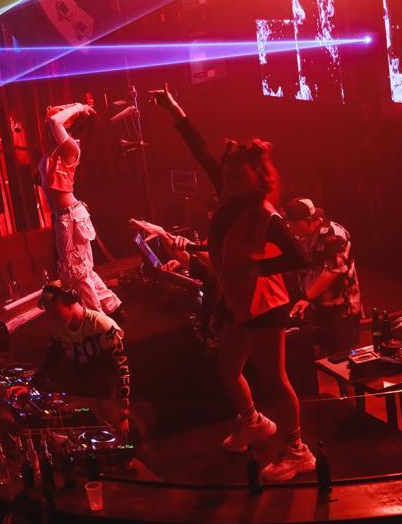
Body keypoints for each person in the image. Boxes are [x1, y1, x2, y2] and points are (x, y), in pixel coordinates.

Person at [150, 85, 313, 481]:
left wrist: (259, 268)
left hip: (265, 305)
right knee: (227, 369)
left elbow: (300, 257)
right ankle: (254, 422)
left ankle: (297, 450)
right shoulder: (229, 195)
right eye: (227, 174)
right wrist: (173, 107)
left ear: (256, 178)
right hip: (238, 302)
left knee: (275, 380)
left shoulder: (265, 215)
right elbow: (201, 150)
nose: (228, 180)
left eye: (236, 176)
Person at [12, 284, 132, 437]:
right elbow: (50, 363)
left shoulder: (102, 326)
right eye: (50, 314)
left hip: (110, 397)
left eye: (55, 312)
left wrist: (122, 413)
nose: (53, 318)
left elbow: (122, 368)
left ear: (70, 304)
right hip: (87, 396)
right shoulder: (60, 330)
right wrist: (30, 387)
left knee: (119, 441)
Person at [39, 101, 123, 319]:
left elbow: (54, 120)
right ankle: (113, 306)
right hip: (65, 216)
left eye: (50, 123)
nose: (47, 125)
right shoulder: (52, 152)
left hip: (70, 216)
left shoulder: (70, 148)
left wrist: (79, 106)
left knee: (77, 272)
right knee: (80, 270)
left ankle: (97, 321)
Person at [283, 197, 363, 352]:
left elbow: (331, 272)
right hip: (315, 307)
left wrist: (306, 298)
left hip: (340, 309)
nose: (290, 228)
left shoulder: (335, 235)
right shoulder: (302, 235)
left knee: (342, 354)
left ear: (308, 221)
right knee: (323, 353)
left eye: (293, 224)